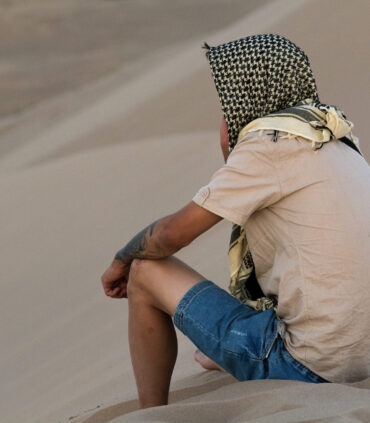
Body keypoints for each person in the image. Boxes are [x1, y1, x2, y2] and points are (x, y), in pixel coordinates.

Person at [101, 34, 370, 409]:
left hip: (315, 366)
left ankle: (151, 416)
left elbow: (169, 235)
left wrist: (120, 261)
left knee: (145, 271)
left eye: (228, 100)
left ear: (247, 97)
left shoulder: (267, 146)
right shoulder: (337, 137)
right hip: (364, 356)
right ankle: (231, 348)